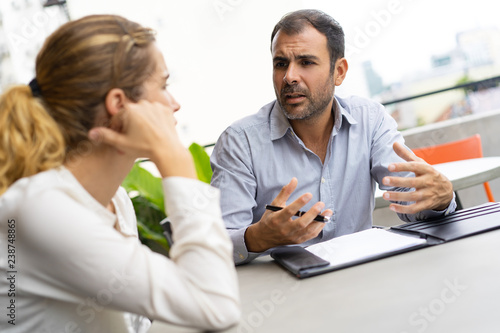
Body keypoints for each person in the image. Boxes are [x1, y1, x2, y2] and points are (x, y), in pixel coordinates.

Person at [0, 15, 240, 332]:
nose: (175, 104)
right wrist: (175, 161)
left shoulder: (116, 200)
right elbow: (216, 306)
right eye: (164, 86)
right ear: (119, 104)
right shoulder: (41, 209)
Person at [210, 9, 456, 265]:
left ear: (339, 71)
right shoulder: (240, 142)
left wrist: (441, 198)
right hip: (285, 293)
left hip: (362, 277)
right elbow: (215, 247)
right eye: (280, 63)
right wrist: (257, 238)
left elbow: (413, 200)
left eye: (306, 62)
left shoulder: (370, 119)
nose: (289, 76)